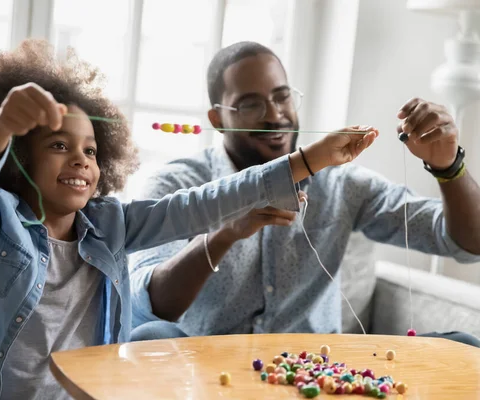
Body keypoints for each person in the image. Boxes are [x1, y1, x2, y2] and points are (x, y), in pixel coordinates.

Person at [0, 39, 377, 399]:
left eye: (90, 149)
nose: (82, 160)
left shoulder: (110, 227)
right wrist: (1, 127)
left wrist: (307, 159)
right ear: (18, 160)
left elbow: (200, 204)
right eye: (59, 146)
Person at [129, 41, 480, 346]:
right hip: (207, 374)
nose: (275, 115)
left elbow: (467, 244)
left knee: (464, 345)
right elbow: (153, 304)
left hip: (316, 375)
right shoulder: (177, 185)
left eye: (282, 97)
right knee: (149, 339)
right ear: (217, 118)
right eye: (251, 104)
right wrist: (223, 234)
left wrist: (449, 166)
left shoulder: (343, 185)